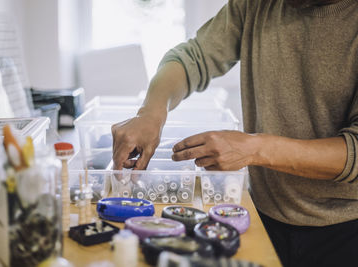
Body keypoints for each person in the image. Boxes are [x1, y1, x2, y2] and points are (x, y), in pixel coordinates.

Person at [111, 0, 358, 266]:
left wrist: (254, 149)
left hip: (344, 230)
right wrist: (150, 113)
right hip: (263, 215)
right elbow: (192, 57)